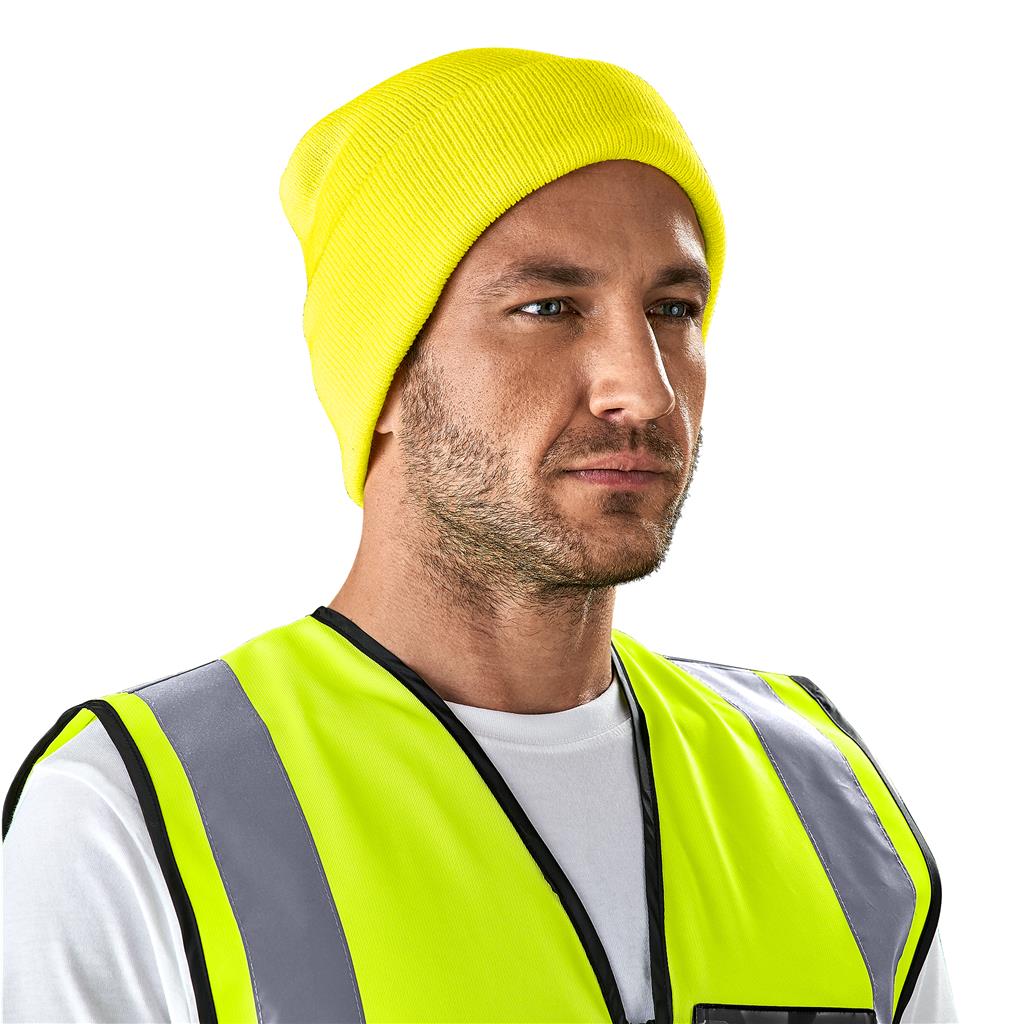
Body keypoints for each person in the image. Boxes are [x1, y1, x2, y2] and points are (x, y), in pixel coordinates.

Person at [3, 46, 957, 1024]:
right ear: (383, 373)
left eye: (673, 310)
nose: (642, 388)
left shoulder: (826, 798)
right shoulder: (136, 808)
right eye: (548, 308)